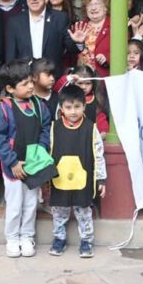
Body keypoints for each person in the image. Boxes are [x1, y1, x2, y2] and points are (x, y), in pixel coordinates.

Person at [0, 59, 51, 258]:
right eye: (24, 84)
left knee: (31, 203)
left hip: (33, 164)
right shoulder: (4, 109)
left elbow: (45, 128)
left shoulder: (39, 105)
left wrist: (41, 151)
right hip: (14, 167)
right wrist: (12, 162)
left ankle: (27, 236)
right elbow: (0, 140)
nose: (30, 86)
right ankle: (12, 237)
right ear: (10, 88)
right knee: (15, 204)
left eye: (30, 82)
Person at [48, 85, 106, 258]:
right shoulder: (54, 127)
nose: (73, 111)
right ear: (62, 108)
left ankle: (87, 241)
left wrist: (101, 179)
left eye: (77, 107)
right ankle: (59, 239)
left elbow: (98, 154)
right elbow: (49, 152)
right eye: (68, 107)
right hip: (60, 179)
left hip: (83, 178)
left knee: (84, 211)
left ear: (84, 106)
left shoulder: (91, 128)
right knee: (59, 211)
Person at [5, 0, 87, 76]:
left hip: (52, 78)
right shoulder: (15, 22)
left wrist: (78, 42)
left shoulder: (60, 18)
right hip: (25, 79)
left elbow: (71, 49)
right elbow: (11, 57)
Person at [75, 0, 112, 77]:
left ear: (105, 8)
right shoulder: (80, 26)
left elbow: (124, 49)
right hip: (82, 76)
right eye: (90, 5)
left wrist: (107, 58)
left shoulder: (114, 26)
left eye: (97, 4)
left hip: (104, 75)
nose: (93, 8)